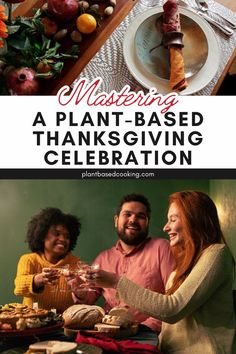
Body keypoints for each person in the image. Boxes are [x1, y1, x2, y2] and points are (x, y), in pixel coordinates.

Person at [85, 191, 236, 354]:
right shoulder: (188, 259)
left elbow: (172, 309)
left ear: (194, 219)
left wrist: (115, 281)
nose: (165, 227)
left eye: (173, 219)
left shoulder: (216, 254)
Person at [72, 193, 175, 334]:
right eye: (127, 214)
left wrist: (141, 329)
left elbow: (173, 301)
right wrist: (79, 291)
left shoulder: (162, 248)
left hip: (148, 336)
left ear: (147, 222)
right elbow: (87, 302)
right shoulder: (103, 258)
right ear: (116, 220)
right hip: (108, 334)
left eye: (140, 216)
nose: (133, 220)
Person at [14, 207, 81, 313]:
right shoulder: (29, 260)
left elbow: (84, 299)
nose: (63, 239)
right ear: (42, 235)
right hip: (34, 322)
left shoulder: (77, 263)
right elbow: (19, 287)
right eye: (57, 234)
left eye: (67, 236)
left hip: (65, 325)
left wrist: (79, 290)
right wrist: (39, 279)